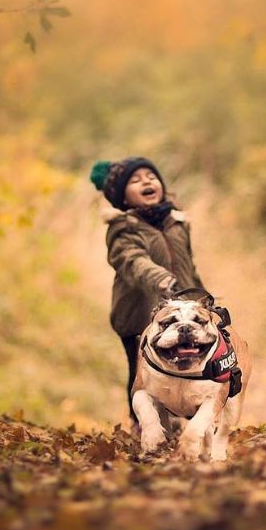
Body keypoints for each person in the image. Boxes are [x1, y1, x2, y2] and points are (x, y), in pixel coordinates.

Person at [89, 156, 206, 425]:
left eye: (151, 176)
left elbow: (189, 267)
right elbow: (133, 261)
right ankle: (141, 423)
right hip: (138, 316)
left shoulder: (177, 223)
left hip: (180, 311)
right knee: (143, 373)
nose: (147, 181)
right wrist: (162, 279)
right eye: (136, 180)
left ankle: (181, 417)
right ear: (123, 197)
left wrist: (201, 298)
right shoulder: (123, 230)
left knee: (184, 361)